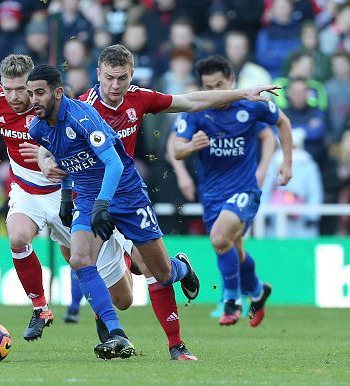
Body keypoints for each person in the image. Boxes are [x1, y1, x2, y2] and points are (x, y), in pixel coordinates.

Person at [38, 44, 280, 356]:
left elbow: (191, 101)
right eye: (109, 78)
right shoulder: (81, 106)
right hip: (91, 196)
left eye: (122, 78)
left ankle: (177, 337)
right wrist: (45, 161)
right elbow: (49, 140)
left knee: (159, 272)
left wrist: (243, 93)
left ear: (131, 75)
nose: (115, 86)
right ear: (97, 74)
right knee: (85, 263)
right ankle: (114, 332)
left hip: (128, 196)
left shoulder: (139, 98)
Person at [0, 55, 139, 352]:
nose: (14, 96)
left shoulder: (55, 109)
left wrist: (45, 155)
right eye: (7, 88)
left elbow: (73, 145)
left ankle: (127, 260)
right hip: (26, 190)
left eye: (21, 89)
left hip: (68, 193)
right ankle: (40, 307)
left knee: (122, 298)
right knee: (17, 237)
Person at [171, 55, 293, 327]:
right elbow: (176, 148)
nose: (214, 92)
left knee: (218, 237)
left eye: (219, 84)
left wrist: (286, 162)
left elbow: (282, 123)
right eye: (208, 87)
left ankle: (231, 299)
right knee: (232, 248)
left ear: (231, 81)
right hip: (212, 194)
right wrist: (190, 147)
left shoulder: (250, 106)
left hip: (245, 189)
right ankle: (259, 292)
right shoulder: (196, 111)